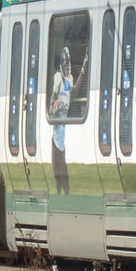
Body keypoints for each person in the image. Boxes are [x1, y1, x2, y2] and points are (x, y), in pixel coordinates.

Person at [49, 46, 88, 194]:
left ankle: (64, 190)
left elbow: (73, 91)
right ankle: (60, 191)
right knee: (58, 163)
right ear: (61, 64)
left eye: (69, 62)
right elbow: (53, 99)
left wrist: (84, 68)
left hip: (64, 128)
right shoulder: (58, 78)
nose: (68, 66)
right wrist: (55, 108)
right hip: (57, 128)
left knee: (63, 161)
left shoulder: (68, 79)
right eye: (65, 63)